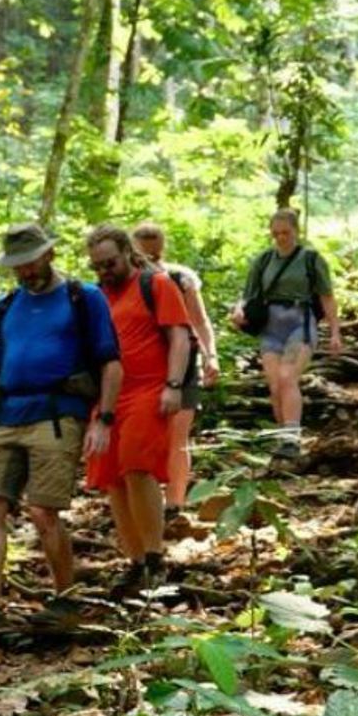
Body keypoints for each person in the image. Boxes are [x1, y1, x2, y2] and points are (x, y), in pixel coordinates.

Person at [0, 223, 122, 635]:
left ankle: (65, 600)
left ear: (49, 255)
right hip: (7, 416)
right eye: (17, 265)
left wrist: (103, 418)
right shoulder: (8, 305)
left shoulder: (83, 297)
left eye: (30, 262)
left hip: (58, 414)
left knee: (43, 510)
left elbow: (110, 363)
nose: (25, 271)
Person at [85, 224, 192, 594]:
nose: (104, 271)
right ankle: (135, 563)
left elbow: (179, 336)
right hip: (107, 397)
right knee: (111, 476)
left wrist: (173, 385)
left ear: (127, 254)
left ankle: (154, 556)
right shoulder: (97, 296)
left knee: (137, 467)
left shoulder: (156, 284)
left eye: (110, 263)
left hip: (148, 390)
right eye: (97, 266)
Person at [230, 209, 342, 460]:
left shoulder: (311, 259)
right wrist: (239, 310)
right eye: (276, 233)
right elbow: (248, 295)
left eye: (286, 233)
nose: (281, 238)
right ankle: (283, 440)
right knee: (275, 384)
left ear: (296, 231)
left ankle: (292, 438)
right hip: (271, 327)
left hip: (300, 323)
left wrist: (335, 332)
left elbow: (327, 296)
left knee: (287, 376)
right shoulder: (264, 260)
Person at [131, 221, 219, 523]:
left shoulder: (181, 279)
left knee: (177, 435)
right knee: (146, 437)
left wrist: (211, 355)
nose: (149, 262)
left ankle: (175, 504)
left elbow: (199, 321)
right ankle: (148, 503)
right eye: (142, 257)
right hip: (143, 367)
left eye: (154, 256)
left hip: (184, 364)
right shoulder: (123, 283)